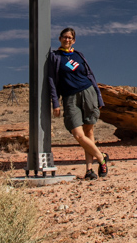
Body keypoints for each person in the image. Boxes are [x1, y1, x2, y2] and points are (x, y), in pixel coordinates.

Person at [47, 27, 109, 180]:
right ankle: (101, 158)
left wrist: (99, 97)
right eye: (64, 37)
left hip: (88, 93)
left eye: (70, 38)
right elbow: (51, 80)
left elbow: (90, 75)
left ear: (73, 40)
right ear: (60, 38)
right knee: (78, 135)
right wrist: (55, 102)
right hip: (70, 98)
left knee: (89, 132)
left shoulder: (79, 55)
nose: (67, 40)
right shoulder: (55, 57)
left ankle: (89, 170)